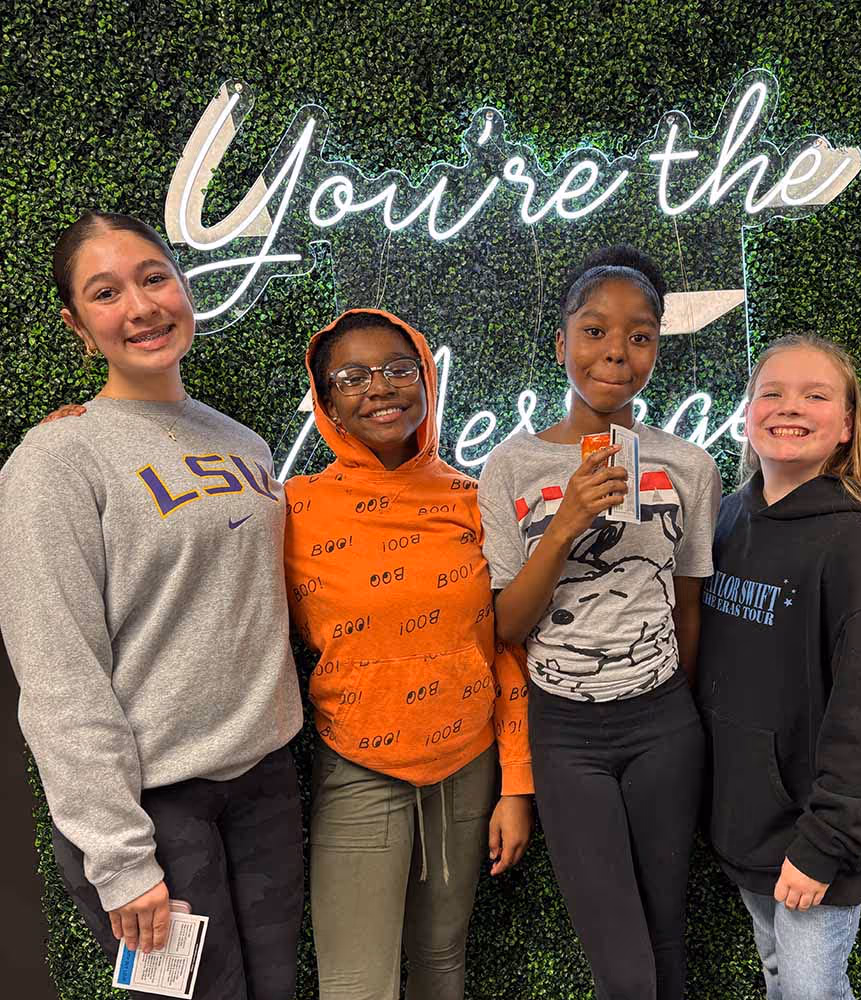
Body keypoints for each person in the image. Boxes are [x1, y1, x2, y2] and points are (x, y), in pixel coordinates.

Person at [0, 211, 305, 1000]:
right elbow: (58, 670)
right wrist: (120, 857)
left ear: (183, 285)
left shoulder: (245, 445)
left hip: (263, 783)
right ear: (77, 323)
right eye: (106, 293)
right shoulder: (57, 459)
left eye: (154, 277)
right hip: (152, 809)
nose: (140, 307)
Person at [477, 245, 721, 1000]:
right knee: (621, 965)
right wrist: (564, 525)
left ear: (655, 349)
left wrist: (671, 703)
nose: (616, 351)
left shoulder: (690, 467)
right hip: (567, 736)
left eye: (640, 335)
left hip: (663, 727)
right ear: (562, 344)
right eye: (595, 331)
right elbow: (506, 626)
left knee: (665, 940)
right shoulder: (509, 468)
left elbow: (689, 608)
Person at [283, 307, 534, 1000]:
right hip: (360, 765)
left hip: (467, 765)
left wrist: (517, 784)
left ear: (425, 379)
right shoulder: (293, 507)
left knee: (441, 962)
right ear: (325, 396)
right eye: (353, 376)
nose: (381, 388)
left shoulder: (472, 498)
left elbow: (503, 647)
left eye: (399, 369)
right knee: (357, 986)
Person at [696, 334, 861, 1000]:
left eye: (815, 394)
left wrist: (823, 842)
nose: (788, 407)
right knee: (779, 978)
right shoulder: (728, 519)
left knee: (811, 991)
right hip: (745, 827)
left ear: (847, 424)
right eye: (771, 392)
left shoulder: (855, 547)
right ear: (747, 412)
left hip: (813, 839)